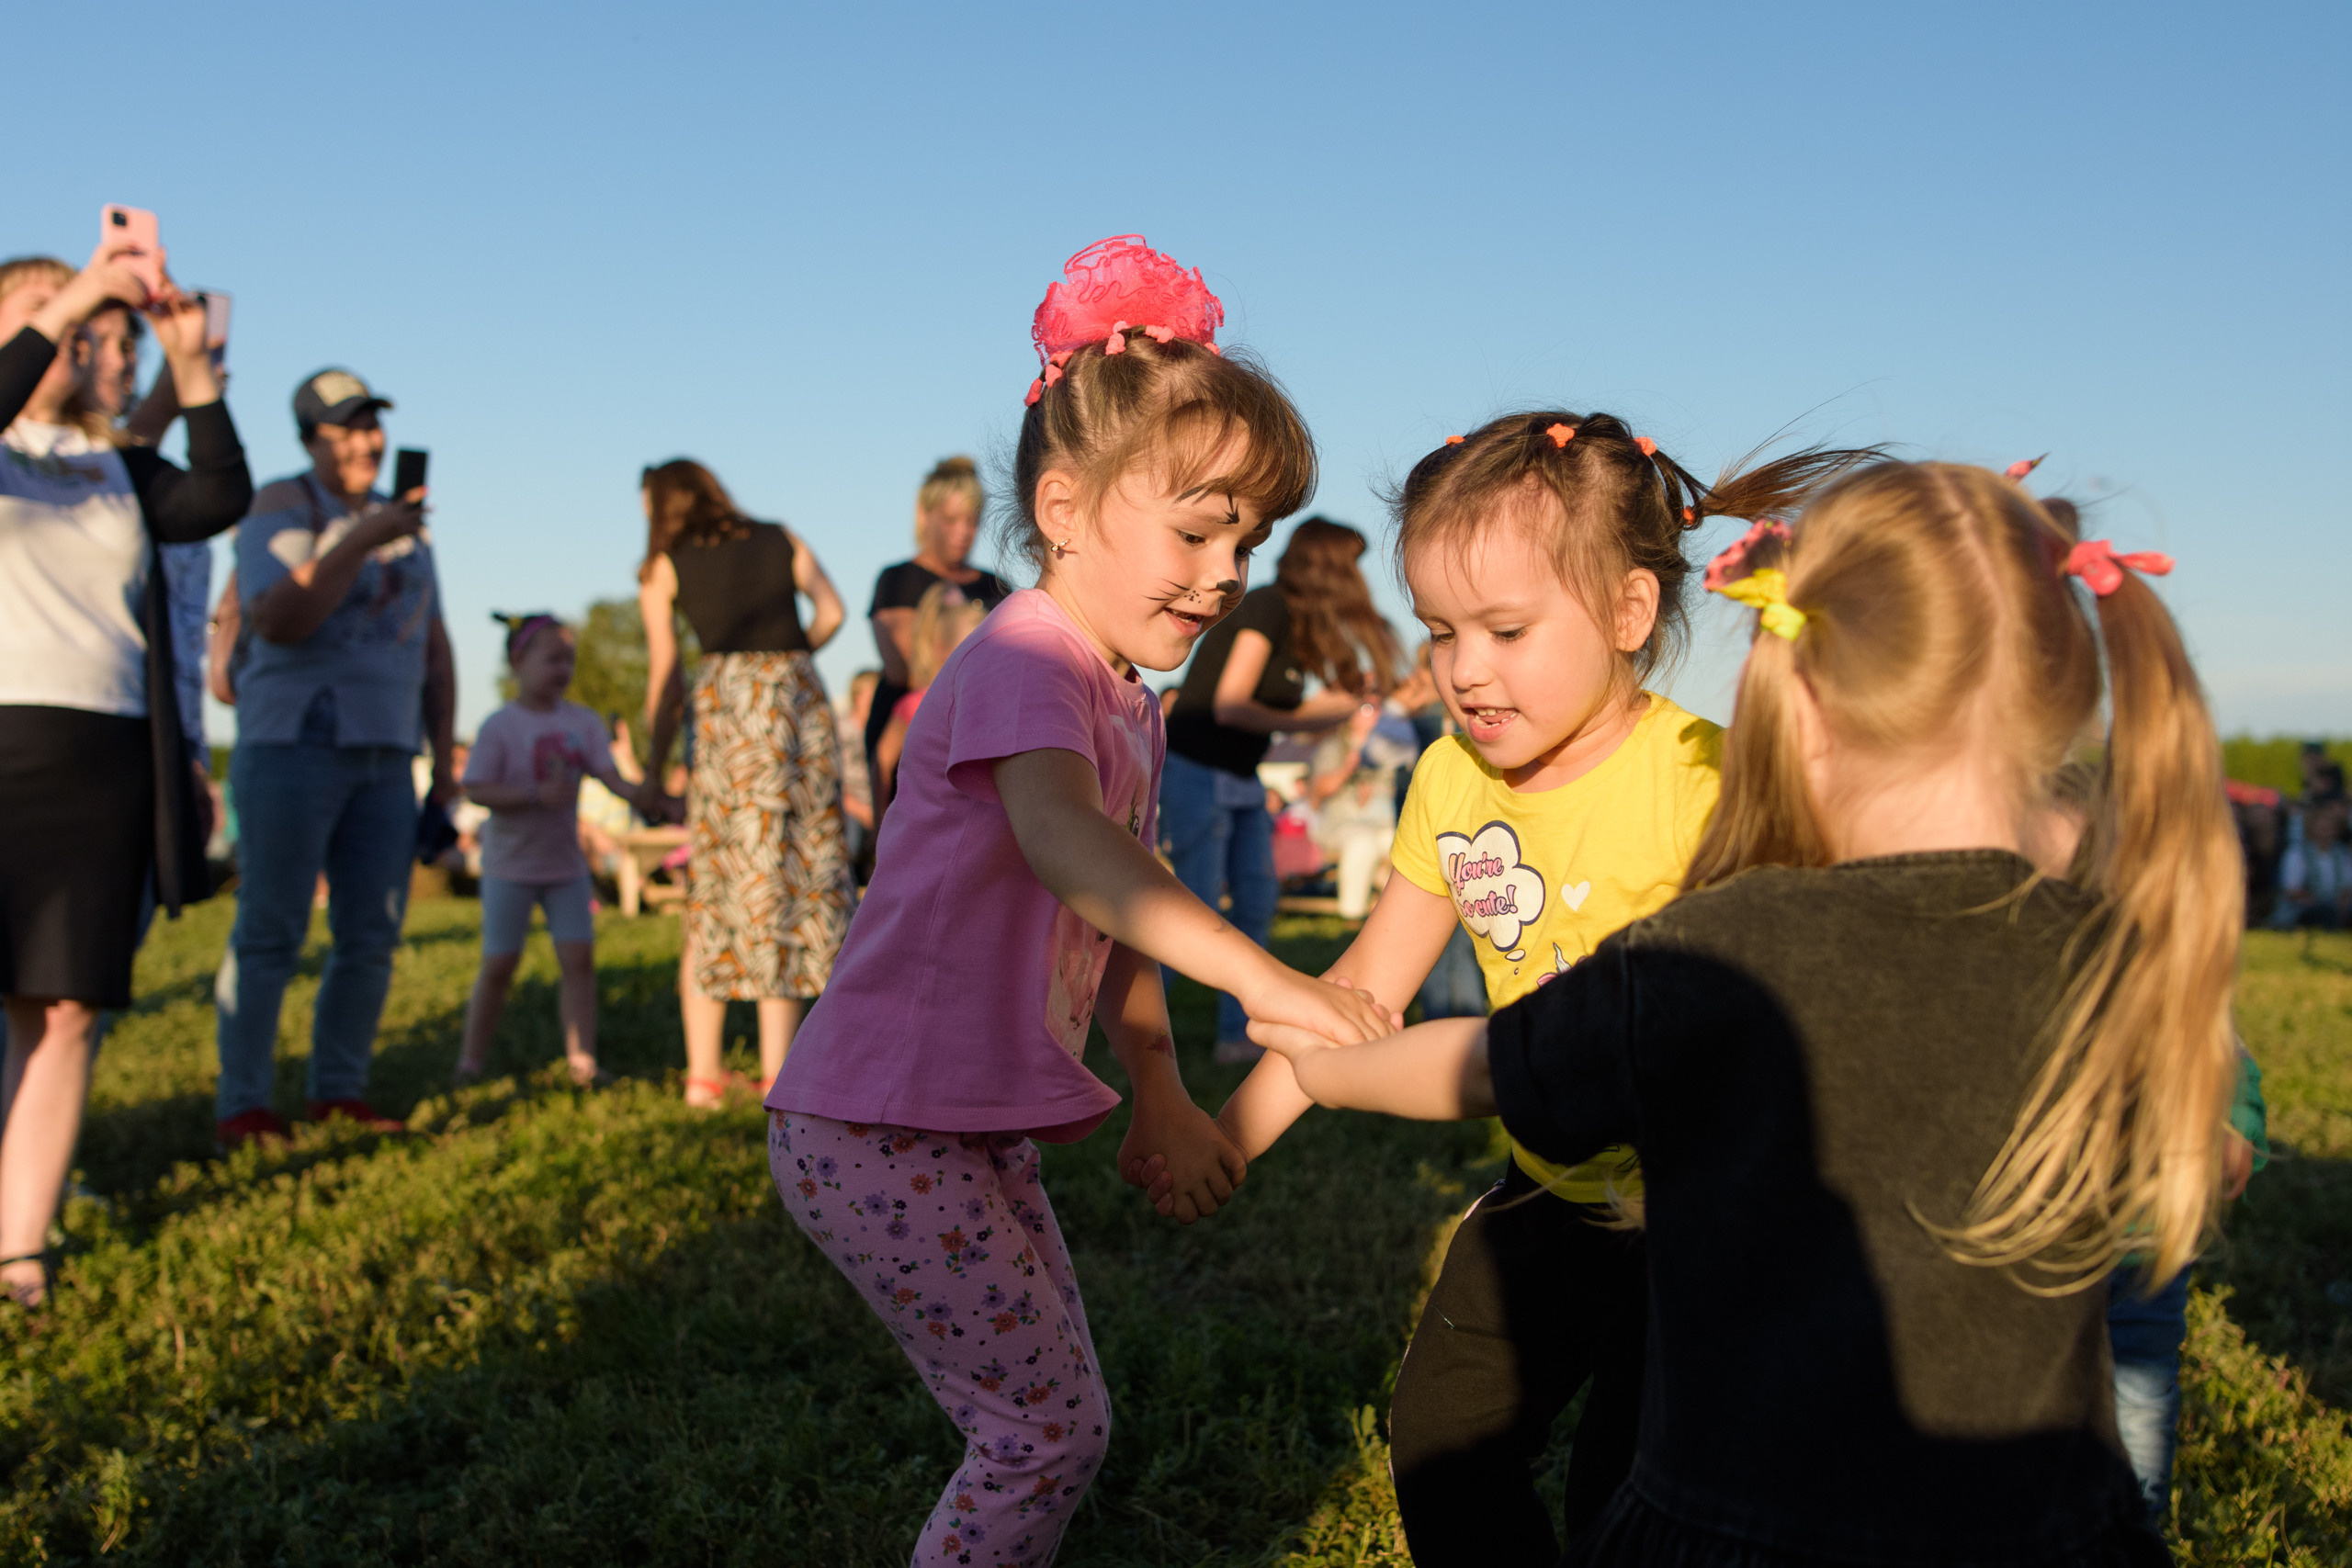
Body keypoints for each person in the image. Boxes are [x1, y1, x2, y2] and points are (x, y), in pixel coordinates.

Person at [1248, 461, 2231, 1566]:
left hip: (1739, 1527)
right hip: (2051, 1532)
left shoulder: (1728, 948)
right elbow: (2205, 1151)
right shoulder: (2107, 959)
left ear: (1796, 708)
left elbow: (1481, 1064)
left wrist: (1327, 1072)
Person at [763, 235, 1395, 1566]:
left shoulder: (1123, 695)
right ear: (1062, 507)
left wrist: (1159, 1089)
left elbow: (1116, 914)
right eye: (1198, 526)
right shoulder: (1024, 659)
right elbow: (1074, 850)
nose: (1228, 572)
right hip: (877, 1123)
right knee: (1041, 1430)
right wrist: (1267, 980)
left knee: (1060, 1418)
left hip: (952, 1122)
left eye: (1251, 537)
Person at [1216, 412, 1876, 1562]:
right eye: (1440, 632)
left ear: (1628, 612)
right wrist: (1227, 1137)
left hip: (1700, 1221)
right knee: (1439, 1437)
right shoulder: (1448, 777)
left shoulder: (1707, 780)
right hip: (1549, 1191)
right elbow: (1367, 984)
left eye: (1507, 629)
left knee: (1628, 1495)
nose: (1466, 669)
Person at [0, 243, 251, 1308]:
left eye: (93, 324)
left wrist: (193, 368)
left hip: (98, 759)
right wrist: (79, 292)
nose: (75, 333)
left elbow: (216, 498)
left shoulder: (114, 463)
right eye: (45, 315)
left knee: (62, 1010)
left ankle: (19, 1248)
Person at [213, 368, 458, 1149]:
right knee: (272, 929)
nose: (363, 441)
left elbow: (435, 647)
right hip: (295, 743)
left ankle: (339, 1088)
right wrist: (361, 539)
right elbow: (279, 618)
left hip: (387, 751)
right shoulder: (281, 505)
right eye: (343, 428)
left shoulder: (408, 527)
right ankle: (245, 1103)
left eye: (370, 425)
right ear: (310, 439)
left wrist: (443, 760)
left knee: (372, 933)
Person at [638, 458, 854, 1104]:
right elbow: (834, 611)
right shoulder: (780, 537)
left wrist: (653, 768)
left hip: (727, 716)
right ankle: (776, 1071)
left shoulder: (664, 564)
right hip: (793, 710)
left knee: (720, 885)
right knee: (785, 883)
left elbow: (665, 674)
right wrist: (789, 660)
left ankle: (703, 1076)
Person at [1162, 517, 1400, 1060]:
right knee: (1192, 906)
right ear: (1328, 567)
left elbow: (1284, 710)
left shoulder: (1298, 627)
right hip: (1197, 766)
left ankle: (1235, 1038)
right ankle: (1132, 1031)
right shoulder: (1267, 606)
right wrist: (1312, 718)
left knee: (1256, 899)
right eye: (1351, 565)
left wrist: (1335, 709)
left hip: (1240, 777)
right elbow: (1231, 704)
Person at [454, 615, 661, 1088]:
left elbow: (612, 779)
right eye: (552, 657)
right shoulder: (500, 725)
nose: (562, 667)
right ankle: (470, 1061)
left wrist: (650, 797)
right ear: (517, 661)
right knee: (500, 964)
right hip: (509, 868)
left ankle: (582, 1059)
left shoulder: (582, 722)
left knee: (578, 961)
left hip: (565, 867)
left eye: (568, 658)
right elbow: (477, 788)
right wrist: (530, 796)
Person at [864, 455, 1011, 795]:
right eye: (950, 520)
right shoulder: (897, 580)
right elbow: (908, 670)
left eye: (972, 521)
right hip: (908, 731)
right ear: (924, 515)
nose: (963, 532)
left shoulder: (996, 585)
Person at [872, 581, 988, 827]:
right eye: (972, 649)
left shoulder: (988, 704)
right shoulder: (916, 704)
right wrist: (878, 820)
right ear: (940, 650)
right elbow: (881, 760)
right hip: (923, 826)